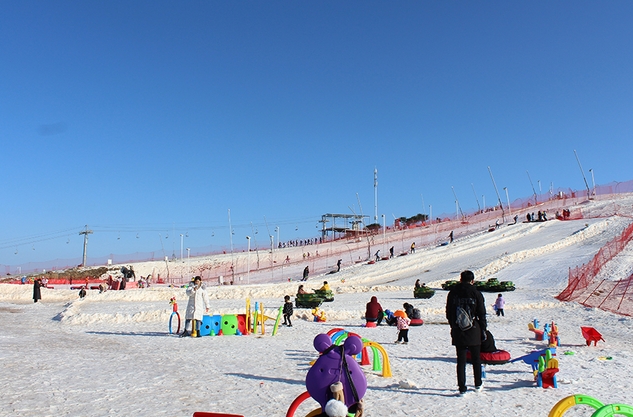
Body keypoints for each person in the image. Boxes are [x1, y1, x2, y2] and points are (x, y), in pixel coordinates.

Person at [446, 270, 487, 395]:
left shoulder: (453, 292)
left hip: (459, 329)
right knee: (476, 359)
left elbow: (449, 312)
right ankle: (478, 384)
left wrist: (453, 325)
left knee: (461, 360)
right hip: (474, 329)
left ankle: (462, 387)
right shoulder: (476, 293)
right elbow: (481, 313)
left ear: (460, 279)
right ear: (472, 280)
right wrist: (483, 329)